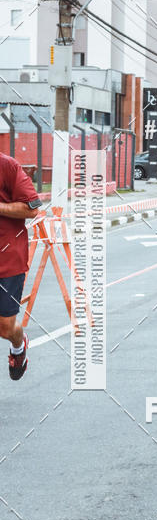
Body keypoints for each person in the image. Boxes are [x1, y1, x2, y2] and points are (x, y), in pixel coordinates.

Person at [0, 153, 43, 380]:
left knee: (5, 328)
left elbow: (32, 208)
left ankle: (18, 346)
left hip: (8, 259)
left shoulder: (7, 166)